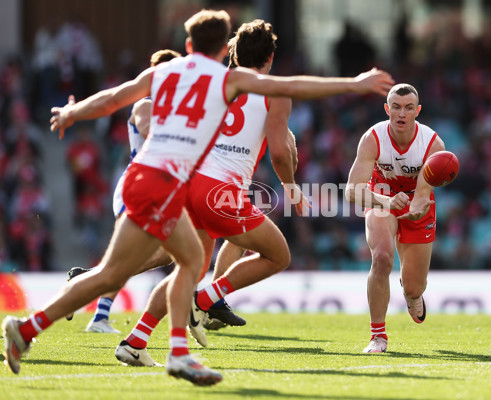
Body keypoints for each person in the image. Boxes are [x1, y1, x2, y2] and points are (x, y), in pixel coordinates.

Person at [2, 9, 393, 385]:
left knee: (170, 264)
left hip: (154, 178)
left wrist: (72, 114)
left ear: (188, 43)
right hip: (178, 183)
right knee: (214, 263)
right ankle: (177, 349)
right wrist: (353, 83)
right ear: (225, 47)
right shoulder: (225, 80)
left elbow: (113, 98)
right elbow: (290, 87)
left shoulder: (166, 70)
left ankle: (75, 333)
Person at [115, 19, 310, 367]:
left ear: (233, 52)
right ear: (269, 58)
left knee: (186, 268)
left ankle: (136, 340)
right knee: (279, 255)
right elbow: (280, 152)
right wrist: (292, 188)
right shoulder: (273, 89)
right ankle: (206, 299)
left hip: (188, 182)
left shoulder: (216, 80)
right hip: (219, 191)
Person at [64, 50, 182, 334]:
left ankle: (87, 281)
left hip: (158, 189)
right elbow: (150, 132)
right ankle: (97, 315)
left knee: (166, 255)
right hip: (138, 185)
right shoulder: (146, 105)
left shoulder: (176, 110)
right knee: (129, 254)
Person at [345, 83, 444, 354]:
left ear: (417, 111)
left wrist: (416, 207)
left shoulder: (433, 144)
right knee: (382, 257)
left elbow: (424, 196)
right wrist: (387, 201)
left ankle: (412, 293)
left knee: (414, 287)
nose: (402, 114)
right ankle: (378, 336)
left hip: (416, 201)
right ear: (387, 109)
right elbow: (352, 191)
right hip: (381, 196)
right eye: (396, 107)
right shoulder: (373, 138)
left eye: (408, 108)